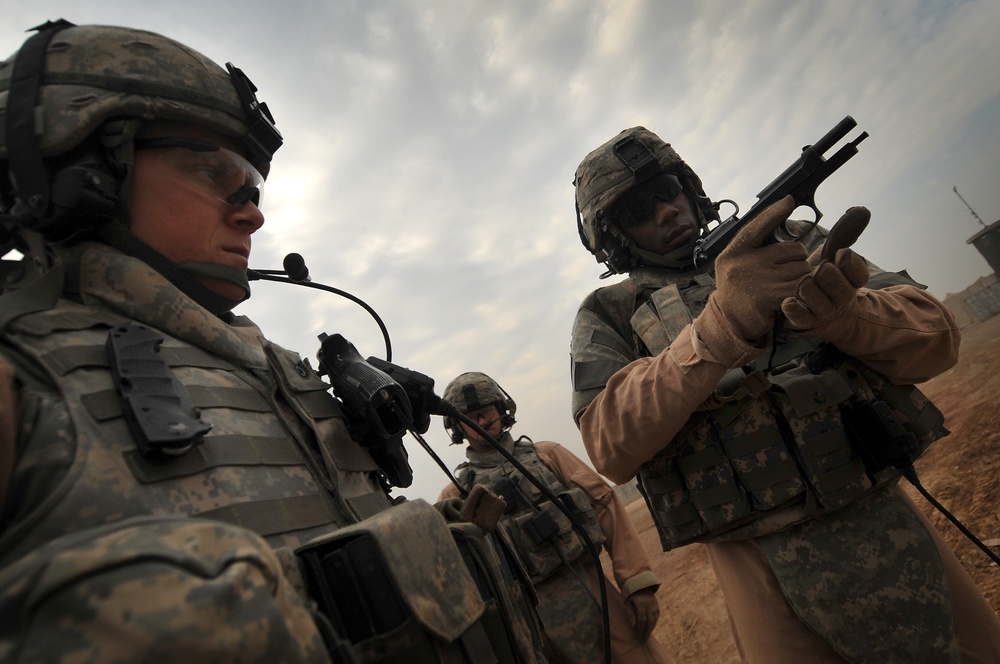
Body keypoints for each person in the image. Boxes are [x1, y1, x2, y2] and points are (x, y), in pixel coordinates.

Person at [0, 20, 547, 663]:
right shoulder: (22, 378)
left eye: (253, 188)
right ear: (88, 176)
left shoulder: (284, 372)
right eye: (212, 174)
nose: (253, 212)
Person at [569, 126, 1000, 663]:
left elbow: (938, 339)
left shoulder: (789, 241)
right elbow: (610, 442)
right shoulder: (609, 313)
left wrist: (848, 316)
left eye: (667, 191)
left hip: (877, 506)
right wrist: (719, 325)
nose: (664, 212)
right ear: (614, 239)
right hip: (755, 557)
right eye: (637, 210)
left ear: (690, 189)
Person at [437, 371, 674, 664]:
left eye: (486, 411)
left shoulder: (548, 456)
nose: (483, 421)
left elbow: (605, 506)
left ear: (501, 409)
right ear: (458, 428)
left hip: (595, 593)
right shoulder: (456, 497)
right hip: (533, 621)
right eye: (471, 417)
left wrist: (637, 583)